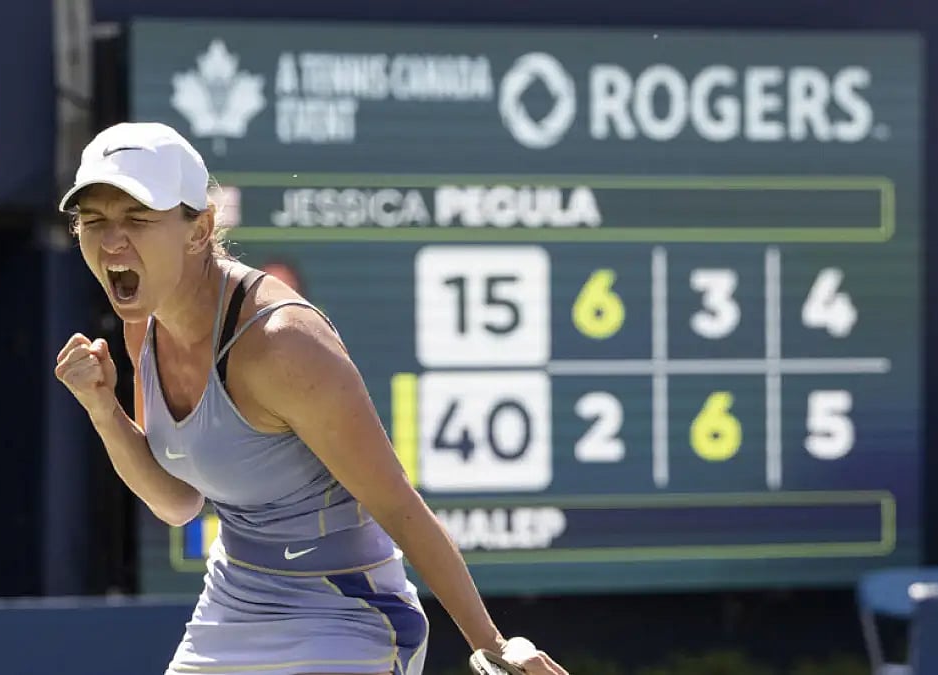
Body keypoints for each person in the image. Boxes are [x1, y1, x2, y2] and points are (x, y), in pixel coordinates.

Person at [53, 122, 570, 675]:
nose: (111, 242)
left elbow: (396, 503)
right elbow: (177, 504)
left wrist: (493, 646)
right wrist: (104, 410)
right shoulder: (144, 327)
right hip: (234, 604)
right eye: (94, 222)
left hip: (347, 615)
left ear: (200, 229)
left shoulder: (283, 345)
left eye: (136, 219)